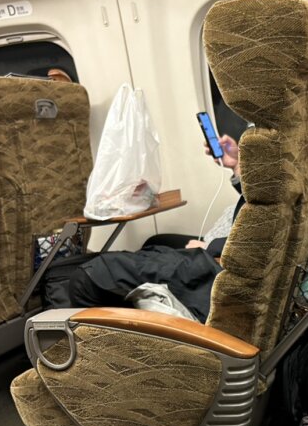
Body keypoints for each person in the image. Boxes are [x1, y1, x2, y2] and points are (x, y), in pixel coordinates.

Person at [68, 133, 244, 320]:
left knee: (87, 278)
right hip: (224, 248)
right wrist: (237, 166)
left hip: (223, 264)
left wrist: (211, 248)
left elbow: (261, 245)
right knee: (156, 241)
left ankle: (143, 331)